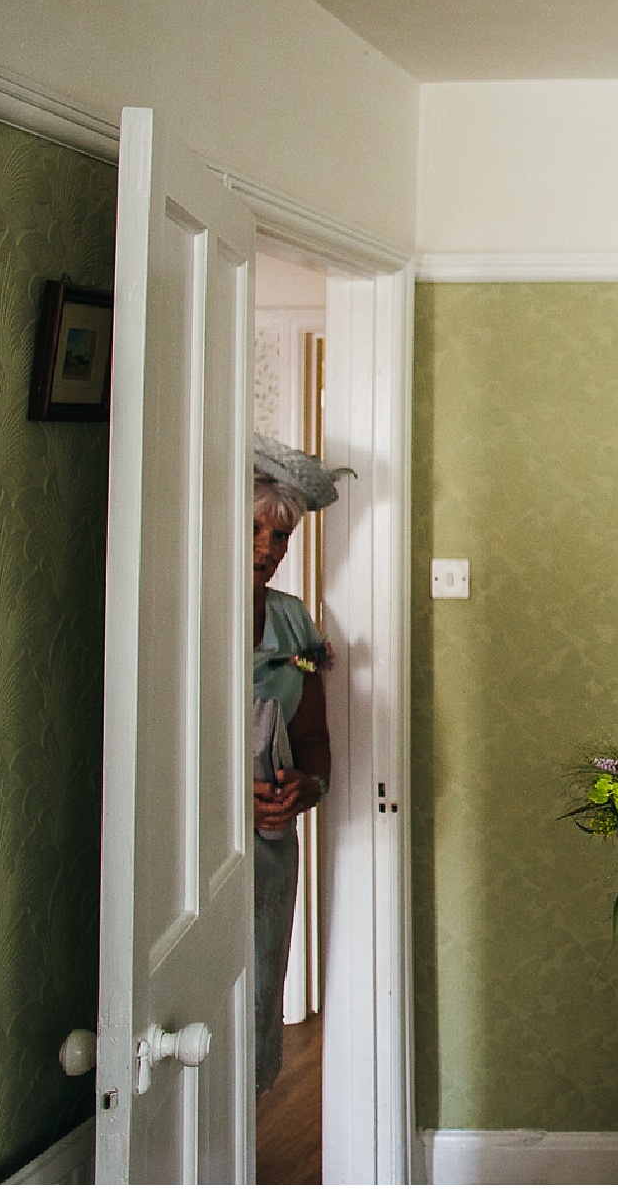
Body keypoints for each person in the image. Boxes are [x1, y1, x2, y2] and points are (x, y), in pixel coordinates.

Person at [250, 434, 345, 1094]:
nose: (268, 549)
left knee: (255, 996)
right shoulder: (182, 613)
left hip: (268, 850)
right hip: (191, 849)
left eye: (280, 537)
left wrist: (302, 791)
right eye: (255, 530)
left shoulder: (290, 622)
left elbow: (314, 747)